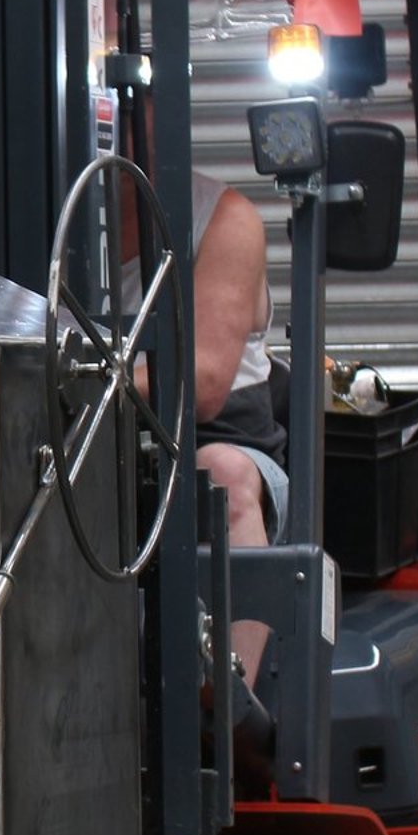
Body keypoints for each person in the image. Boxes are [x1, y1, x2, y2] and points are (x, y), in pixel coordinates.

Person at [121, 168, 286, 693]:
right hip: (98, 432)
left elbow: (205, 380)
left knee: (223, 477)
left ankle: (227, 705)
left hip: (214, 433)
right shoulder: (38, 205)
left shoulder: (222, 219)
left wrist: (70, 376)